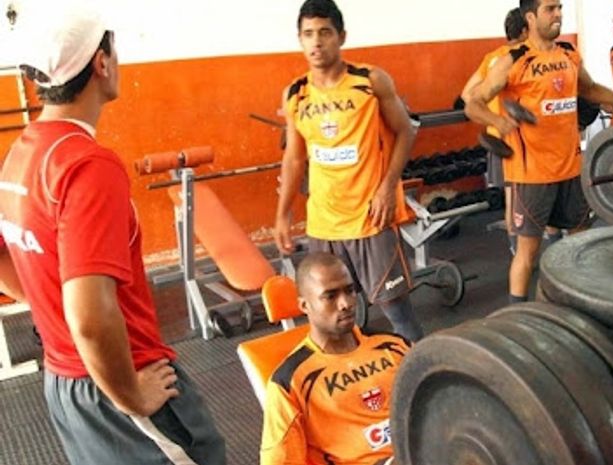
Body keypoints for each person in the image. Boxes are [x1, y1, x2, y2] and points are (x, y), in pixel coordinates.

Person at [0, 2, 225, 464]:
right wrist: (131, 396)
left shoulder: (21, 154)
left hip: (66, 384)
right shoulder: (87, 164)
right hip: (121, 379)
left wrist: (58, 315)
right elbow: (89, 317)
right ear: (102, 63)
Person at [465, 0, 613, 303]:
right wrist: (497, 121)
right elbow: (473, 103)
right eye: (550, 9)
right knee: (528, 253)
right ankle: (515, 314)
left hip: (570, 168)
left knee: (581, 244)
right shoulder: (513, 60)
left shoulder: (569, 53)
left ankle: (578, 305)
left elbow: (590, 90)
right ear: (530, 17)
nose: (558, 14)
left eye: (559, 7)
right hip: (532, 174)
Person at [274, 0, 423, 342]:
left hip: (370, 218)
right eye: (308, 34)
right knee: (333, 317)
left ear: (341, 37)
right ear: (300, 39)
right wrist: (282, 215)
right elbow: (295, 159)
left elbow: (405, 131)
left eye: (325, 32)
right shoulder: (295, 94)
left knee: (397, 313)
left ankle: (422, 370)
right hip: (323, 224)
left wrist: (388, 188)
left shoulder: (370, 81)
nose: (316, 41)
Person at [260, 251, 410, 465]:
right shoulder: (290, 382)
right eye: (330, 296)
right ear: (304, 306)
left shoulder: (394, 346)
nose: (345, 303)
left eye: (349, 291)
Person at [462, 7, 529, 256]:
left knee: (512, 197)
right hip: (517, 138)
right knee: (525, 197)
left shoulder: (492, 58)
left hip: (497, 137)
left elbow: (467, 94)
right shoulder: (520, 57)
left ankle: (516, 251)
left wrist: (491, 114)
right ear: (526, 30)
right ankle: (525, 252)